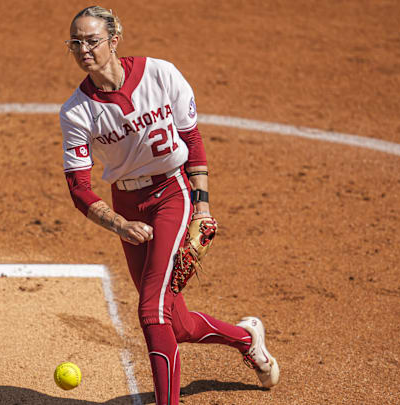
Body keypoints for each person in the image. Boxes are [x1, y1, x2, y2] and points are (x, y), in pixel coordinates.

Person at [58, 6, 280, 405]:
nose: (83, 49)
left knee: (151, 312)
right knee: (173, 320)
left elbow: (191, 140)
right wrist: (119, 224)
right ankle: (247, 339)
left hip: (171, 194)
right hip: (127, 205)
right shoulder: (77, 111)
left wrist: (203, 206)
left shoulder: (161, 74)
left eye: (92, 40)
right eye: (76, 42)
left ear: (114, 39)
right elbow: (78, 188)